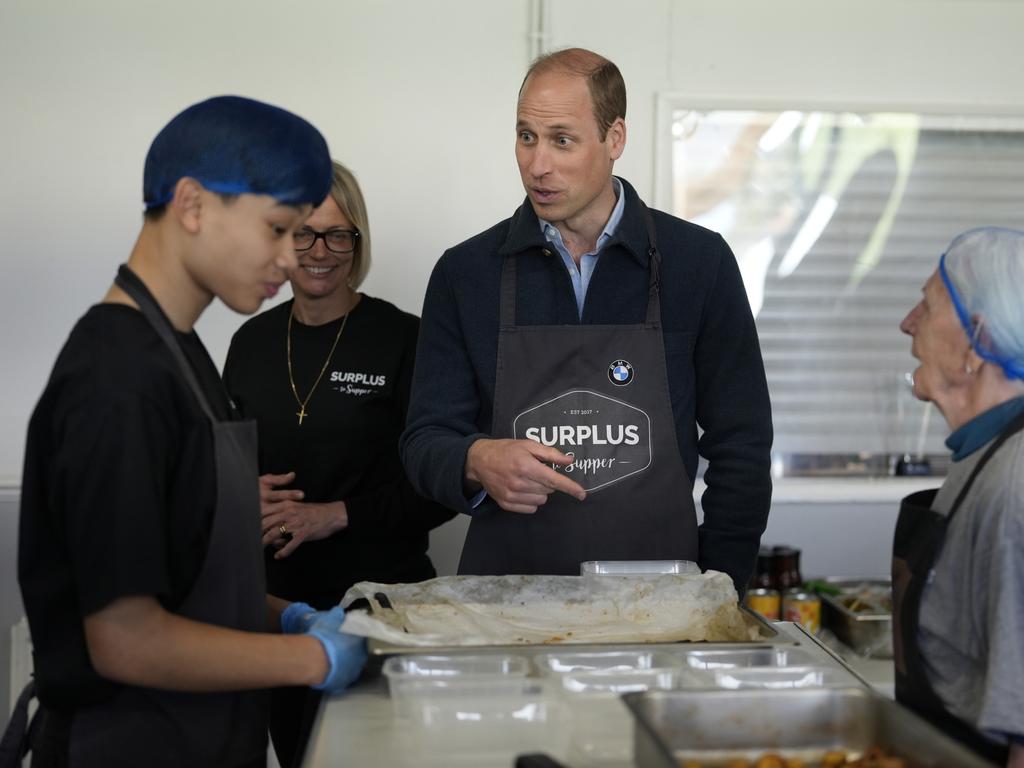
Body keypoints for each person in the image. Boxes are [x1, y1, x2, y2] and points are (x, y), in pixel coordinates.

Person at [9, 96, 366, 768]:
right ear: (194, 204)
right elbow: (125, 638)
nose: (293, 260)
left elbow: (190, 575)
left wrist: (284, 613)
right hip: (121, 744)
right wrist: (307, 656)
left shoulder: (182, 354)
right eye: (278, 229)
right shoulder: (115, 378)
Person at [400, 48, 773, 594]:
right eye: (526, 137)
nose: (537, 165)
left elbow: (741, 443)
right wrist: (475, 458)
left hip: (661, 603)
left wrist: (719, 587)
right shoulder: (467, 273)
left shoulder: (699, 263)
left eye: (562, 140)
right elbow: (424, 440)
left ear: (615, 138)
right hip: (506, 603)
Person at [222, 160, 455, 766]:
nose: (319, 251)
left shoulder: (406, 339)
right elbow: (216, 474)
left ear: (358, 241)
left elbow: (441, 486)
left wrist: (338, 515)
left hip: (381, 605)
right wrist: (240, 498)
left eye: (338, 234)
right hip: (276, 609)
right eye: (302, 232)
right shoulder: (250, 343)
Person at [895, 227, 1024, 767]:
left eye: (928, 304)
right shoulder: (982, 456)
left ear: (978, 340)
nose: (907, 323)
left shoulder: (1015, 482)